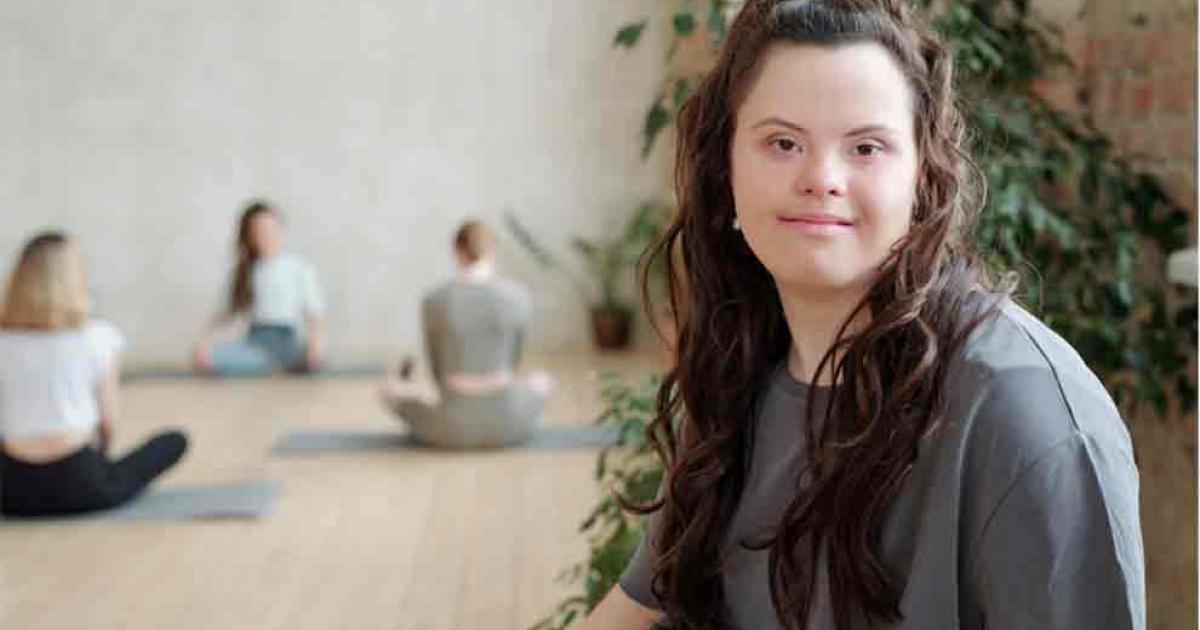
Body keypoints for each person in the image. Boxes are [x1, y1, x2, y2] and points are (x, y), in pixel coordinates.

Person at [581, 1, 1145, 628]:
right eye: (783, 142)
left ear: (922, 178)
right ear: (725, 169)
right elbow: (632, 612)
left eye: (867, 147)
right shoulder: (741, 370)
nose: (822, 178)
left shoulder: (1026, 416)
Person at [0, 231, 187, 516]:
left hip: (10, 490)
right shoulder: (98, 337)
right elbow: (107, 423)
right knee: (175, 440)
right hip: (82, 483)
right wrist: (101, 464)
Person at [380, 220, 552, 448]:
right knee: (542, 381)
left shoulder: (435, 300)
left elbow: (437, 369)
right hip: (508, 422)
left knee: (390, 389)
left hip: (451, 426)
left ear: (457, 252)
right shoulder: (517, 297)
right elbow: (513, 361)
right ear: (493, 252)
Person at [193, 200, 327, 376]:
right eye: (259, 232)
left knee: (313, 358)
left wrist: (316, 343)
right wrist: (202, 341)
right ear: (249, 236)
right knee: (207, 359)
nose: (266, 236)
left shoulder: (298, 267)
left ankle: (270, 367)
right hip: (255, 342)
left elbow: (316, 313)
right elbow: (225, 312)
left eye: (271, 229)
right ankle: (271, 369)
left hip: (286, 341)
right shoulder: (246, 271)